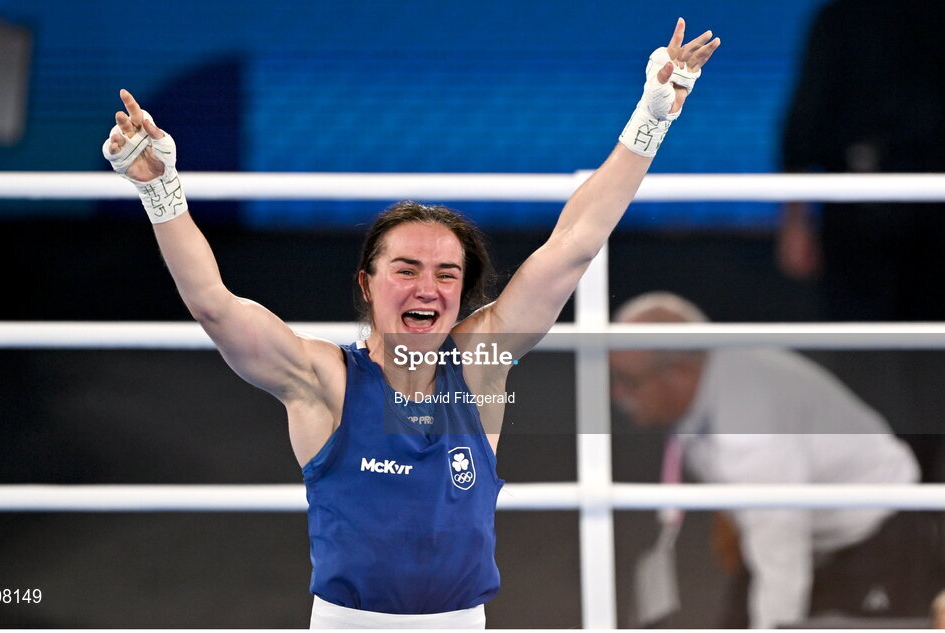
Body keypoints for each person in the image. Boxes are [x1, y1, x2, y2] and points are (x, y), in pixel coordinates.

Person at [102, 21, 720, 628]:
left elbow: (575, 244)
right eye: (407, 269)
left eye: (447, 273)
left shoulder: (481, 362)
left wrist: (653, 115)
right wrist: (162, 192)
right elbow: (214, 303)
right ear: (367, 284)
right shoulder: (322, 378)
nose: (428, 287)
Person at [610, 291, 937, 629]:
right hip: (797, 528)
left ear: (679, 373)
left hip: (876, 533)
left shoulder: (749, 428)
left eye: (628, 381)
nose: (616, 395)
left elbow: (782, 556)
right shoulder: (711, 374)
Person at [777, 0, 945, 480]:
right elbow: (805, 118)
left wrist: (794, 221)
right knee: (860, 355)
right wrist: (794, 219)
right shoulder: (841, 17)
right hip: (858, 208)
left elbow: (803, 119)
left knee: (926, 356)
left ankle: (920, 487)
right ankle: (881, 488)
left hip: (925, 214)